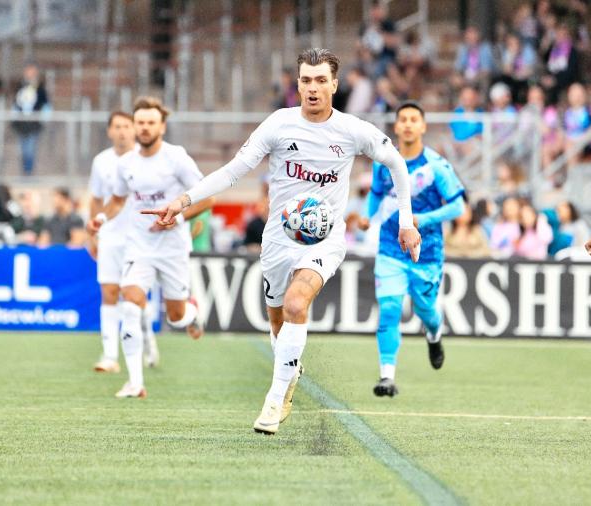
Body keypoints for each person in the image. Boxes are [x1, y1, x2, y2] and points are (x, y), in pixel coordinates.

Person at [143, 48, 420, 434]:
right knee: (277, 325)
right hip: (277, 238)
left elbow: (397, 164)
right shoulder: (278, 124)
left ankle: (274, 401)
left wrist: (407, 222)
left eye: (321, 80)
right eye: (306, 80)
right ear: (298, 84)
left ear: (334, 85)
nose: (312, 87)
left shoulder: (352, 130)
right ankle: (288, 368)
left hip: (324, 241)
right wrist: (184, 199)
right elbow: (234, 170)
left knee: (295, 304)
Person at [86, 96, 213, 399]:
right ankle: (135, 382)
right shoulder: (125, 164)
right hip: (139, 246)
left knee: (175, 316)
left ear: (162, 126)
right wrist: (101, 218)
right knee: (129, 303)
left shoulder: (176, 158)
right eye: (140, 122)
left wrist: (176, 214)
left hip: (172, 248)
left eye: (150, 122)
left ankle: (191, 313)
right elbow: (117, 200)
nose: (143, 128)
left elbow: (207, 197)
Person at [358, 100, 465, 397]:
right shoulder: (384, 163)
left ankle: (434, 334)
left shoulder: (436, 166)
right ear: (396, 126)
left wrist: (423, 219)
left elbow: (458, 206)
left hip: (427, 253)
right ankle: (387, 376)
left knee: (426, 310)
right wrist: (369, 217)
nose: (407, 123)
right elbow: (376, 195)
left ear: (422, 126)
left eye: (413, 119)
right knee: (390, 308)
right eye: (402, 118)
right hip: (391, 248)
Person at [87, 111, 149, 374]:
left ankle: (147, 342)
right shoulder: (101, 161)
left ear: (133, 130)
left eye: (127, 126)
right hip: (111, 235)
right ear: (110, 131)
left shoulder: (145, 159)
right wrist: (93, 232)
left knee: (133, 295)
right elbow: (97, 198)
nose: (122, 131)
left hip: (139, 236)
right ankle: (110, 355)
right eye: (117, 126)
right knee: (109, 292)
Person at [11, 63, 51, 175]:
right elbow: (15, 104)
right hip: (21, 124)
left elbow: (46, 105)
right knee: (23, 150)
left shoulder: (40, 88)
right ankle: (24, 172)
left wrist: (43, 119)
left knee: (30, 149)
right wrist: (14, 118)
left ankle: (28, 172)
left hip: (34, 124)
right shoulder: (20, 86)